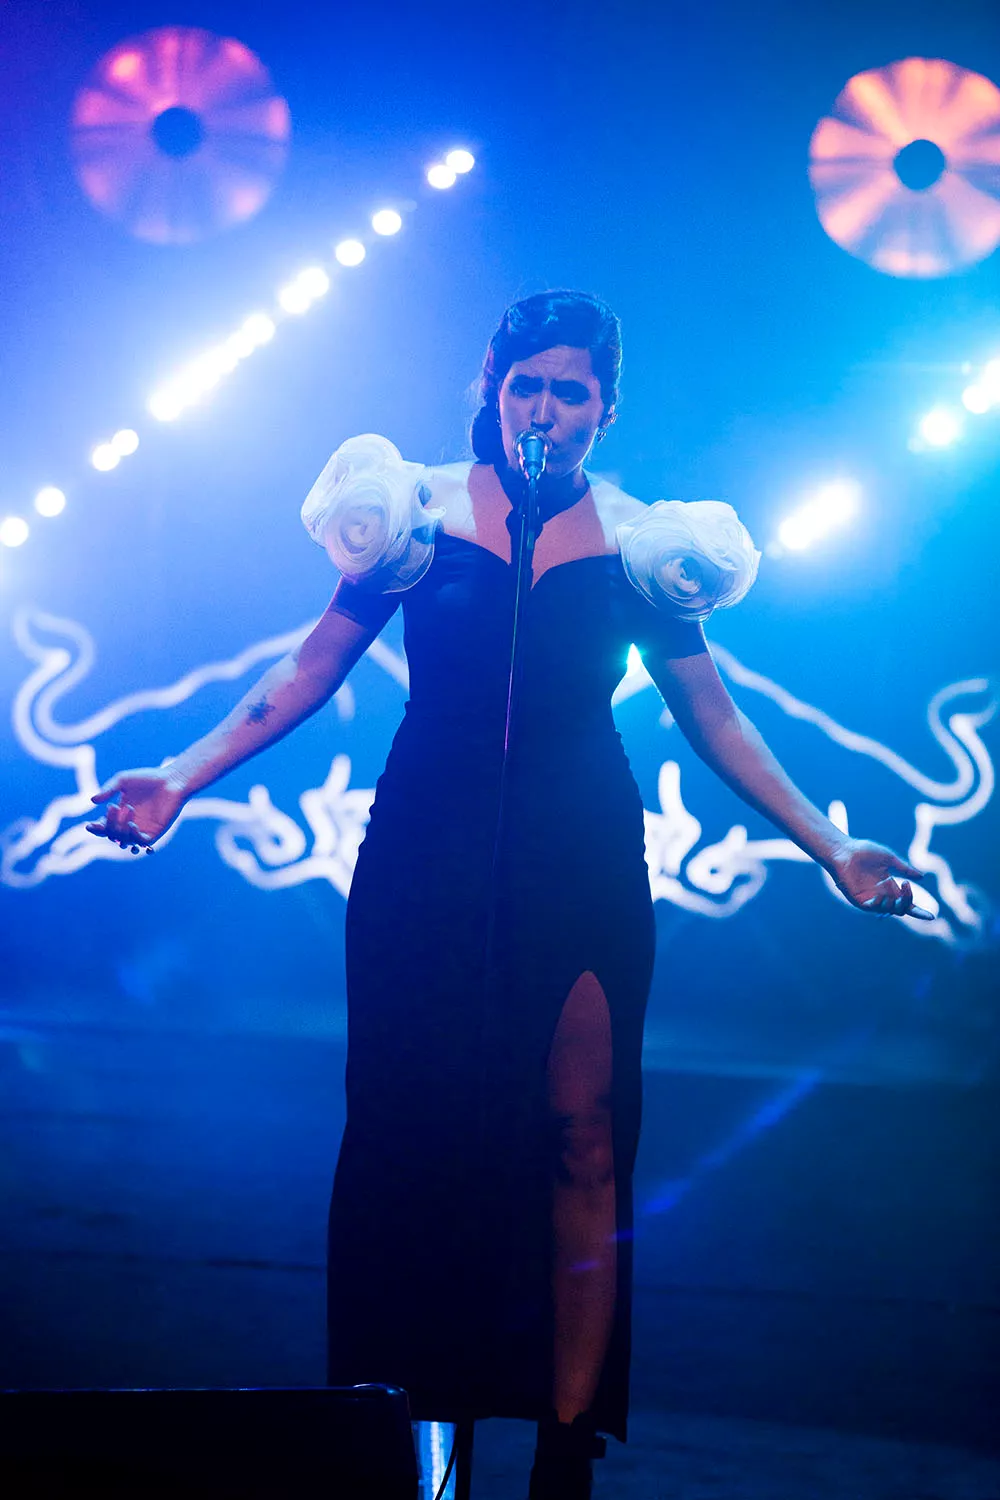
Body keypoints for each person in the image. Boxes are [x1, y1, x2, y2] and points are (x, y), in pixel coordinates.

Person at [87, 291, 925, 1499]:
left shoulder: (646, 545)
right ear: (491, 389)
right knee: (411, 1132)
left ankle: (565, 1444)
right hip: (425, 843)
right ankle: (417, 1428)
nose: (543, 409)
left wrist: (831, 845)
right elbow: (311, 667)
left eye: (568, 391)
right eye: (524, 385)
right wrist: (179, 772)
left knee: (581, 1134)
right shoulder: (410, 514)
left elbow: (716, 718)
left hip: (578, 848)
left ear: (603, 409)